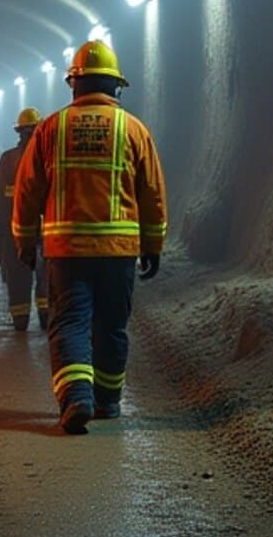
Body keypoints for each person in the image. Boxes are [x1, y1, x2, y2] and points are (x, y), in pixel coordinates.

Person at [10, 42, 167, 433]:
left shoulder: (50, 128)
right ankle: (108, 402)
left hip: (67, 251)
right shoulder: (133, 129)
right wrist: (153, 245)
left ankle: (76, 397)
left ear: (73, 85)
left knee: (71, 323)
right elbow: (152, 193)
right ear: (116, 87)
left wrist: (25, 241)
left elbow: (27, 190)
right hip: (118, 251)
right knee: (112, 325)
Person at [0, 107, 49, 330]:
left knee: (17, 275)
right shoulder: (49, 156)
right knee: (46, 274)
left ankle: (21, 319)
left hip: (14, 229)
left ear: (19, 132)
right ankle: (46, 315)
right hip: (44, 229)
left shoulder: (8, 159)